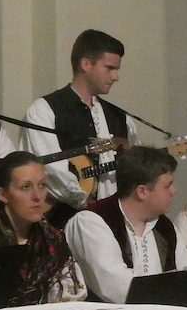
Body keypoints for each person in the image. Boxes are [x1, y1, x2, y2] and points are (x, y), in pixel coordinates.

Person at [20, 29, 139, 228]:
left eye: (116, 69)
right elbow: (49, 168)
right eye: (109, 68)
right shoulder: (45, 110)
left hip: (114, 223)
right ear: (86, 64)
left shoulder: (120, 118)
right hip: (62, 224)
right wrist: (84, 202)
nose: (115, 76)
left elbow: (134, 168)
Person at [65, 146, 187, 304]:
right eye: (167, 186)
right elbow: (117, 288)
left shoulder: (166, 228)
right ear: (142, 192)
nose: (174, 191)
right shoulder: (90, 221)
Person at [0, 151, 86, 305]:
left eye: (42, 185)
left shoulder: (52, 238)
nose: (37, 196)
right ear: (3, 194)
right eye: (26, 187)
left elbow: (69, 300)